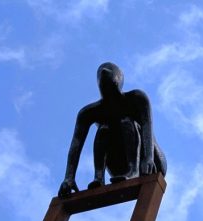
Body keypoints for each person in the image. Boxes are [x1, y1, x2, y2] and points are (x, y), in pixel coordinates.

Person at [58, 62, 166, 198]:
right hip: (118, 167)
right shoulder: (89, 112)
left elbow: (147, 127)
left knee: (126, 122)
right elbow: (76, 145)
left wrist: (149, 158)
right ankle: (98, 177)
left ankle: (133, 171)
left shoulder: (137, 98)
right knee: (104, 129)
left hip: (151, 162)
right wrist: (69, 177)